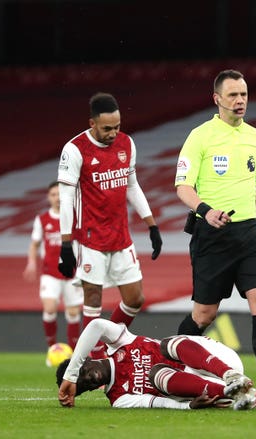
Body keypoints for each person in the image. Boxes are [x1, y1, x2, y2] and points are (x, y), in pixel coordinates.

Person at [173, 69, 256, 404]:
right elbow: (182, 185)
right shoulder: (200, 136)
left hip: (249, 232)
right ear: (217, 99)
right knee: (204, 315)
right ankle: (169, 362)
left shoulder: (255, 136)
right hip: (212, 233)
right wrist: (205, 210)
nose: (240, 101)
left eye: (243, 95)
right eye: (233, 96)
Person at [57, 92, 163, 357]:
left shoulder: (127, 144)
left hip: (121, 237)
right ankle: (89, 361)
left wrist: (151, 225)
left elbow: (132, 186)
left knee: (135, 299)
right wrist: (66, 244)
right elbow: (66, 198)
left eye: (117, 126)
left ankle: (105, 346)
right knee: (93, 301)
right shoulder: (75, 150)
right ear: (92, 123)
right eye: (107, 128)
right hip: (90, 239)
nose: (113, 133)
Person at [56, 318, 256, 410]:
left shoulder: (119, 343)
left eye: (81, 372)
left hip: (217, 360)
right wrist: (188, 407)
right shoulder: (119, 399)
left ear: (86, 359)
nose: (87, 379)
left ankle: (231, 376)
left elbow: (96, 325)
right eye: (83, 385)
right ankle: (240, 393)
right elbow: (157, 403)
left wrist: (70, 375)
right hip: (204, 388)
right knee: (157, 374)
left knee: (166, 344)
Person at [23, 181, 83, 350]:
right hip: (50, 272)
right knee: (49, 309)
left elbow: (83, 241)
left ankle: (73, 353)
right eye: (53, 195)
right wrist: (31, 263)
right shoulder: (42, 219)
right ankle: (52, 348)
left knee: (73, 313)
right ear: (49, 198)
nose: (57, 198)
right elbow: (34, 244)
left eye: (60, 194)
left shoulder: (75, 216)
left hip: (72, 272)